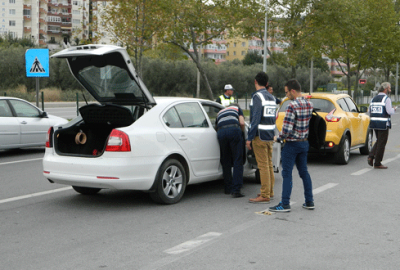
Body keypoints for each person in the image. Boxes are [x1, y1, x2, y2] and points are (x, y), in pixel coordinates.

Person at [269, 79, 314, 212]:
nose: (286, 95)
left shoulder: (291, 106)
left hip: (292, 144)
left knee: (287, 173)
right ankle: (309, 201)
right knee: (304, 172)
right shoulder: (309, 104)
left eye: (287, 92)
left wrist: (278, 138)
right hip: (304, 143)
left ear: (293, 91)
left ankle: (285, 203)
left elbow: (287, 130)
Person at [246, 72, 276, 203]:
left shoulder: (257, 97)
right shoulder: (272, 97)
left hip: (259, 136)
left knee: (262, 166)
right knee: (269, 164)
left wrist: (249, 137)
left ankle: (264, 195)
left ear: (255, 81)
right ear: (267, 83)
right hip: (269, 135)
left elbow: (255, 119)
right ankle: (269, 191)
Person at [215, 103, 246, 198]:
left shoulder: (220, 112)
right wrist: (242, 133)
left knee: (226, 160)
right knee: (237, 159)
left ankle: (227, 188)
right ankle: (236, 190)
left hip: (221, 132)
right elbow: (242, 123)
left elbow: (216, 126)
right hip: (233, 130)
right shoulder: (237, 109)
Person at [367, 82, 397, 169]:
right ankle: (377, 162)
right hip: (383, 124)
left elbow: (370, 110)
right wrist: (394, 109)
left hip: (374, 123)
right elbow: (389, 111)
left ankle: (371, 156)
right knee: (382, 143)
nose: (390, 90)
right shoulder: (386, 99)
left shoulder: (373, 99)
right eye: (389, 88)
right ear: (386, 89)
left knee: (379, 140)